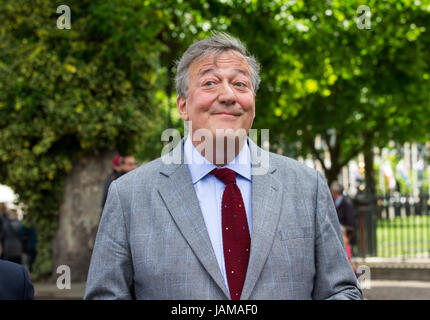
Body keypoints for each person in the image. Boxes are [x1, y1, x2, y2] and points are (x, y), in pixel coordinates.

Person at [85, 32, 362, 300]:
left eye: (240, 84)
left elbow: (342, 291)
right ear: (182, 105)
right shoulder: (128, 196)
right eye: (210, 83)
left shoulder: (307, 187)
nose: (228, 95)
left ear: (253, 102)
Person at [330, 182, 357, 247]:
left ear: (334, 192)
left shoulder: (347, 202)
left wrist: (348, 237)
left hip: (345, 236)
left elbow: (351, 222)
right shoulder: (333, 202)